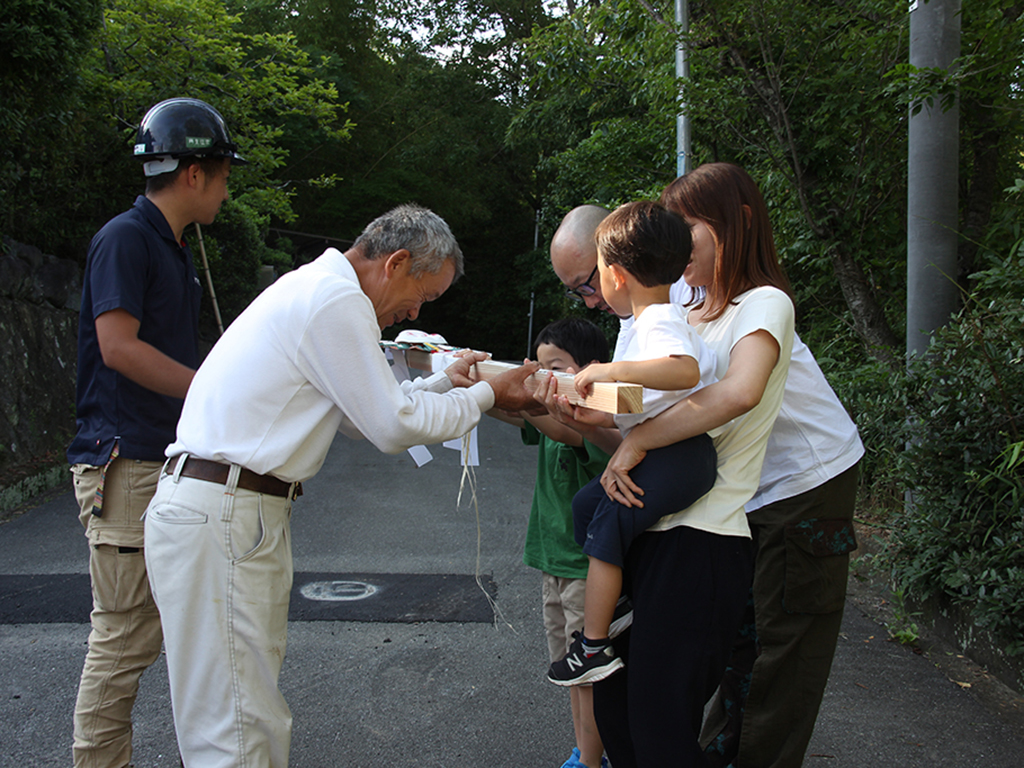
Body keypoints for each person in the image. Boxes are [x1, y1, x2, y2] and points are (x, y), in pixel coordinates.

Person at [142, 203, 538, 767]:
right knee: (236, 724)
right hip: (227, 511)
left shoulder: (315, 288)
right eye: (422, 295)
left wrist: (445, 384)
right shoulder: (337, 301)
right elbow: (391, 426)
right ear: (396, 262)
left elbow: (361, 413)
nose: (414, 311)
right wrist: (488, 395)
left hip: (219, 507)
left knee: (233, 711)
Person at [548, 169, 864, 767]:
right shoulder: (685, 305)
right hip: (722, 493)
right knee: (712, 663)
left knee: (776, 655)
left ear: (736, 222)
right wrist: (546, 395)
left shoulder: (762, 304)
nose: (678, 241)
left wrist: (637, 441)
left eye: (688, 225)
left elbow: (734, 394)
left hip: (803, 482)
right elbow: (641, 404)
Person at [66, 97, 245, 767]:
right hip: (125, 461)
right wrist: (210, 387)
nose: (228, 186)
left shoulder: (171, 249)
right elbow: (117, 347)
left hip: (157, 459)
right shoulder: (126, 238)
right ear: (193, 172)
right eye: (225, 171)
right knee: (123, 637)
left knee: (161, 634)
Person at [545, 201, 719, 691]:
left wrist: (608, 370)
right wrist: (585, 410)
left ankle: (593, 646)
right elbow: (638, 401)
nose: (590, 295)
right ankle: (620, 597)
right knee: (586, 507)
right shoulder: (638, 326)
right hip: (661, 449)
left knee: (606, 527)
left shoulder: (660, 319)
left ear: (616, 275)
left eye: (591, 279)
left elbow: (683, 371)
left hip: (680, 453)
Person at [488, 317, 614, 768]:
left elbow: (562, 430)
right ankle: (582, 750)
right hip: (552, 561)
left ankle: (591, 757)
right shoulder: (547, 412)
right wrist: (477, 388)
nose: (541, 378)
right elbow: (510, 412)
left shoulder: (595, 423)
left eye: (553, 367)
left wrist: (522, 395)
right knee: (566, 667)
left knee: (588, 675)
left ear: (591, 369)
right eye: (537, 368)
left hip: (585, 567)